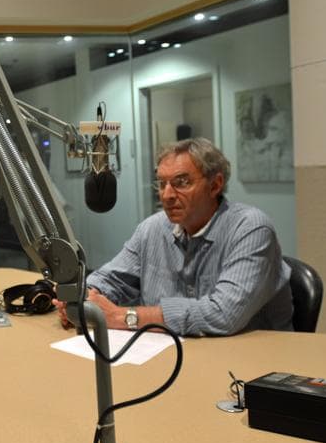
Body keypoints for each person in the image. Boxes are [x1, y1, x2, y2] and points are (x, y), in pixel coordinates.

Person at [58, 137, 293, 336]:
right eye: (161, 184)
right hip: (173, 356)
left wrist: (122, 316)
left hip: (253, 366)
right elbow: (111, 279)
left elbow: (223, 315)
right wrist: (83, 299)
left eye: (181, 183)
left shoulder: (251, 229)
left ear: (215, 185)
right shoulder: (151, 228)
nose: (167, 195)